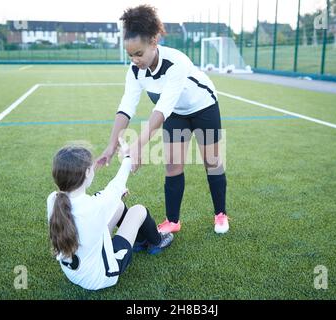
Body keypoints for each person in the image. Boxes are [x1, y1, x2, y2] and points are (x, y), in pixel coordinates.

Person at [96, 5, 229, 234]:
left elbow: (162, 108)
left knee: (212, 162)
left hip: (203, 107)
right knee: (173, 165)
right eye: (130, 55)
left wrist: (138, 146)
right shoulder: (135, 71)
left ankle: (220, 214)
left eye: (139, 53)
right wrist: (111, 145)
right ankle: (173, 221)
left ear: (154, 42)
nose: (135, 60)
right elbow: (126, 107)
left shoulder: (176, 63)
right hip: (176, 113)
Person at [47, 139, 173, 291]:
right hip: (102, 276)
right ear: (87, 173)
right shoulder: (94, 206)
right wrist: (127, 157)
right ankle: (156, 242)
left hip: (75, 273)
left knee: (118, 206)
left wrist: (116, 196)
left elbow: (103, 199)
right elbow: (116, 185)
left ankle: (140, 241)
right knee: (138, 210)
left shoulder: (54, 199)